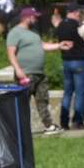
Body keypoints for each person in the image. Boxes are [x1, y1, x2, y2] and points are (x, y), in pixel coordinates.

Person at [7, 7, 72, 135]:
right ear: (26, 18)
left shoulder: (34, 32)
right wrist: (18, 70)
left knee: (43, 99)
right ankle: (20, 128)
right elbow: (11, 53)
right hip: (25, 74)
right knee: (22, 102)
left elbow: (42, 45)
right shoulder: (15, 33)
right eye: (34, 17)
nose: (36, 19)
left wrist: (59, 45)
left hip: (39, 74)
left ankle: (49, 125)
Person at [55, 2, 84, 129]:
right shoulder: (77, 26)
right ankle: (77, 120)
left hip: (66, 60)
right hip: (79, 60)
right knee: (80, 92)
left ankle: (63, 121)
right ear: (76, 12)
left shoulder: (60, 26)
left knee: (68, 91)